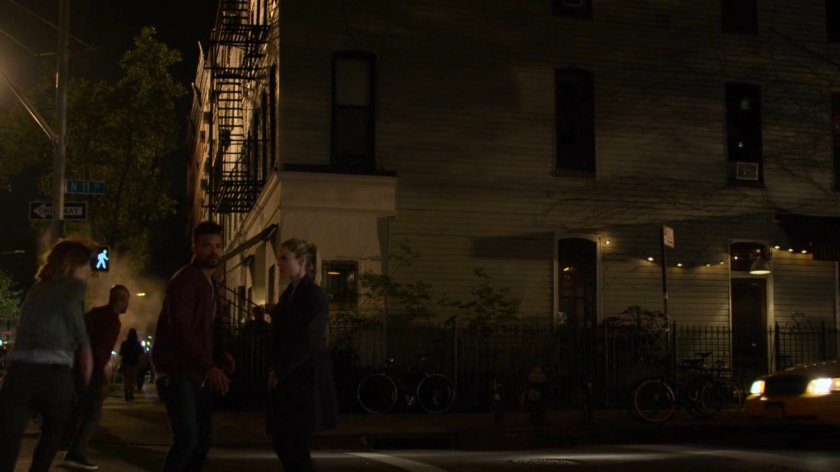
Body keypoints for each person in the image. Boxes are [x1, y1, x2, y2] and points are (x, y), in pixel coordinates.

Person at [0, 237, 94, 472]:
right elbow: (74, 319)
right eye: (87, 265)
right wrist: (86, 352)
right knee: (55, 428)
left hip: (19, 372)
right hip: (53, 373)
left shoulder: (37, 288)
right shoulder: (74, 287)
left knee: (9, 438)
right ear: (74, 265)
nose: (90, 271)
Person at [151, 221, 235, 472]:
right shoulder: (186, 281)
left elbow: (211, 326)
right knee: (188, 439)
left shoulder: (208, 283)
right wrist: (209, 365)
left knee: (201, 441)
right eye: (207, 246)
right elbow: (181, 329)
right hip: (178, 372)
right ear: (195, 248)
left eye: (218, 246)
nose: (214, 252)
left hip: (196, 372)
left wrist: (221, 354)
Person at [267, 239, 338, 472]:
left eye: (284, 258)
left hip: (303, 377)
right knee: (285, 442)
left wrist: (281, 369)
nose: (279, 264)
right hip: (290, 377)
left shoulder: (313, 295)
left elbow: (310, 339)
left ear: (302, 261)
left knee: (294, 444)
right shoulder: (290, 294)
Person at [62, 285, 131, 470]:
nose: (128, 305)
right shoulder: (113, 321)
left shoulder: (94, 314)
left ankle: (64, 443)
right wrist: (102, 379)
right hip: (90, 371)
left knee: (76, 409)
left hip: (76, 366)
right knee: (93, 412)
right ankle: (77, 453)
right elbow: (100, 353)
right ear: (121, 299)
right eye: (127, 300)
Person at [118, 329, 144, 402]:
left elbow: (120, 353)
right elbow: (141, 352)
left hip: (125, 363)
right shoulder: (137, 343)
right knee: (132, 379)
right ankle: (131, 393)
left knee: (126, 379)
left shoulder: (124, 343)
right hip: (134, 364)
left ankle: (126, 393)